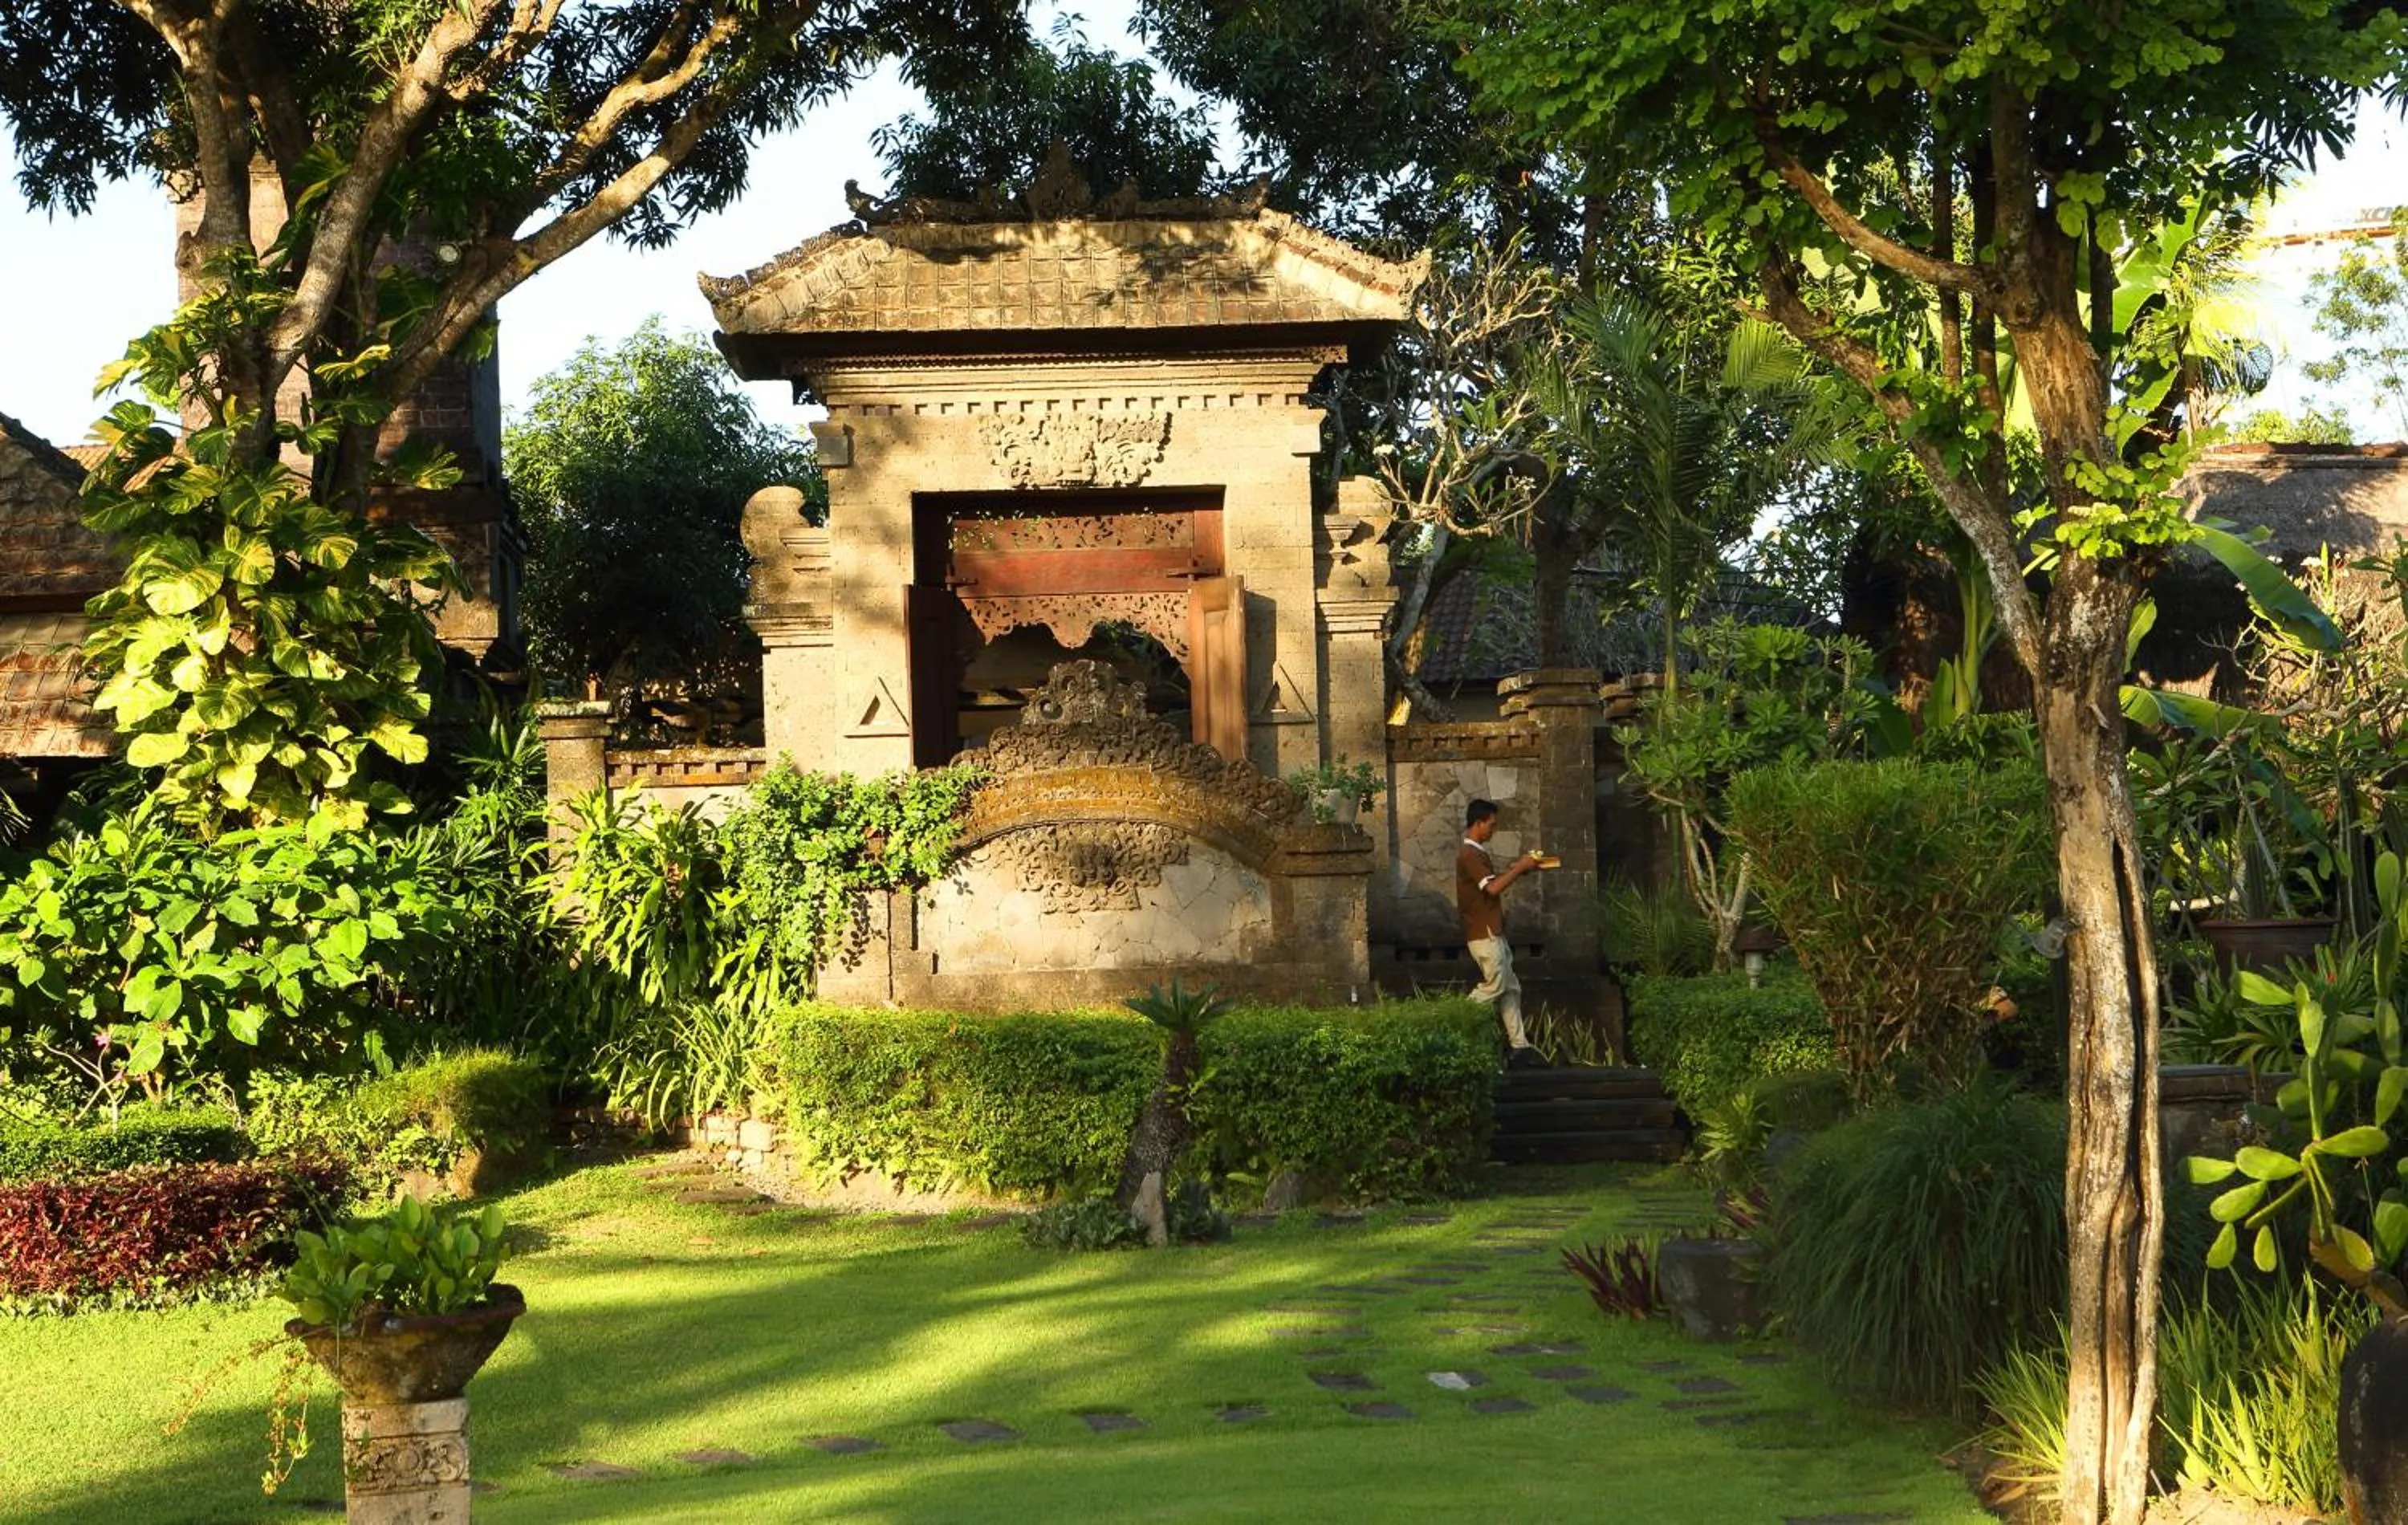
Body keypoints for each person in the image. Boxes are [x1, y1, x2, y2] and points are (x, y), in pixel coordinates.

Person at [1456, 798, 1542, 1068]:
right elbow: (1492, 890)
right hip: (1484, 934)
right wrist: (1519, 868)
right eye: (1491, 825)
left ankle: (1520, 1046)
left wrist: (1519, 869)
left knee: (1511, 988)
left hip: (1492, 932)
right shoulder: (1469, 854)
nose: (1494, 830)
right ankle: (1454, 1016)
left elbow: (1492, 884)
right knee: (1497, 985)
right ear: (1478, 823)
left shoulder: (1477, 853)